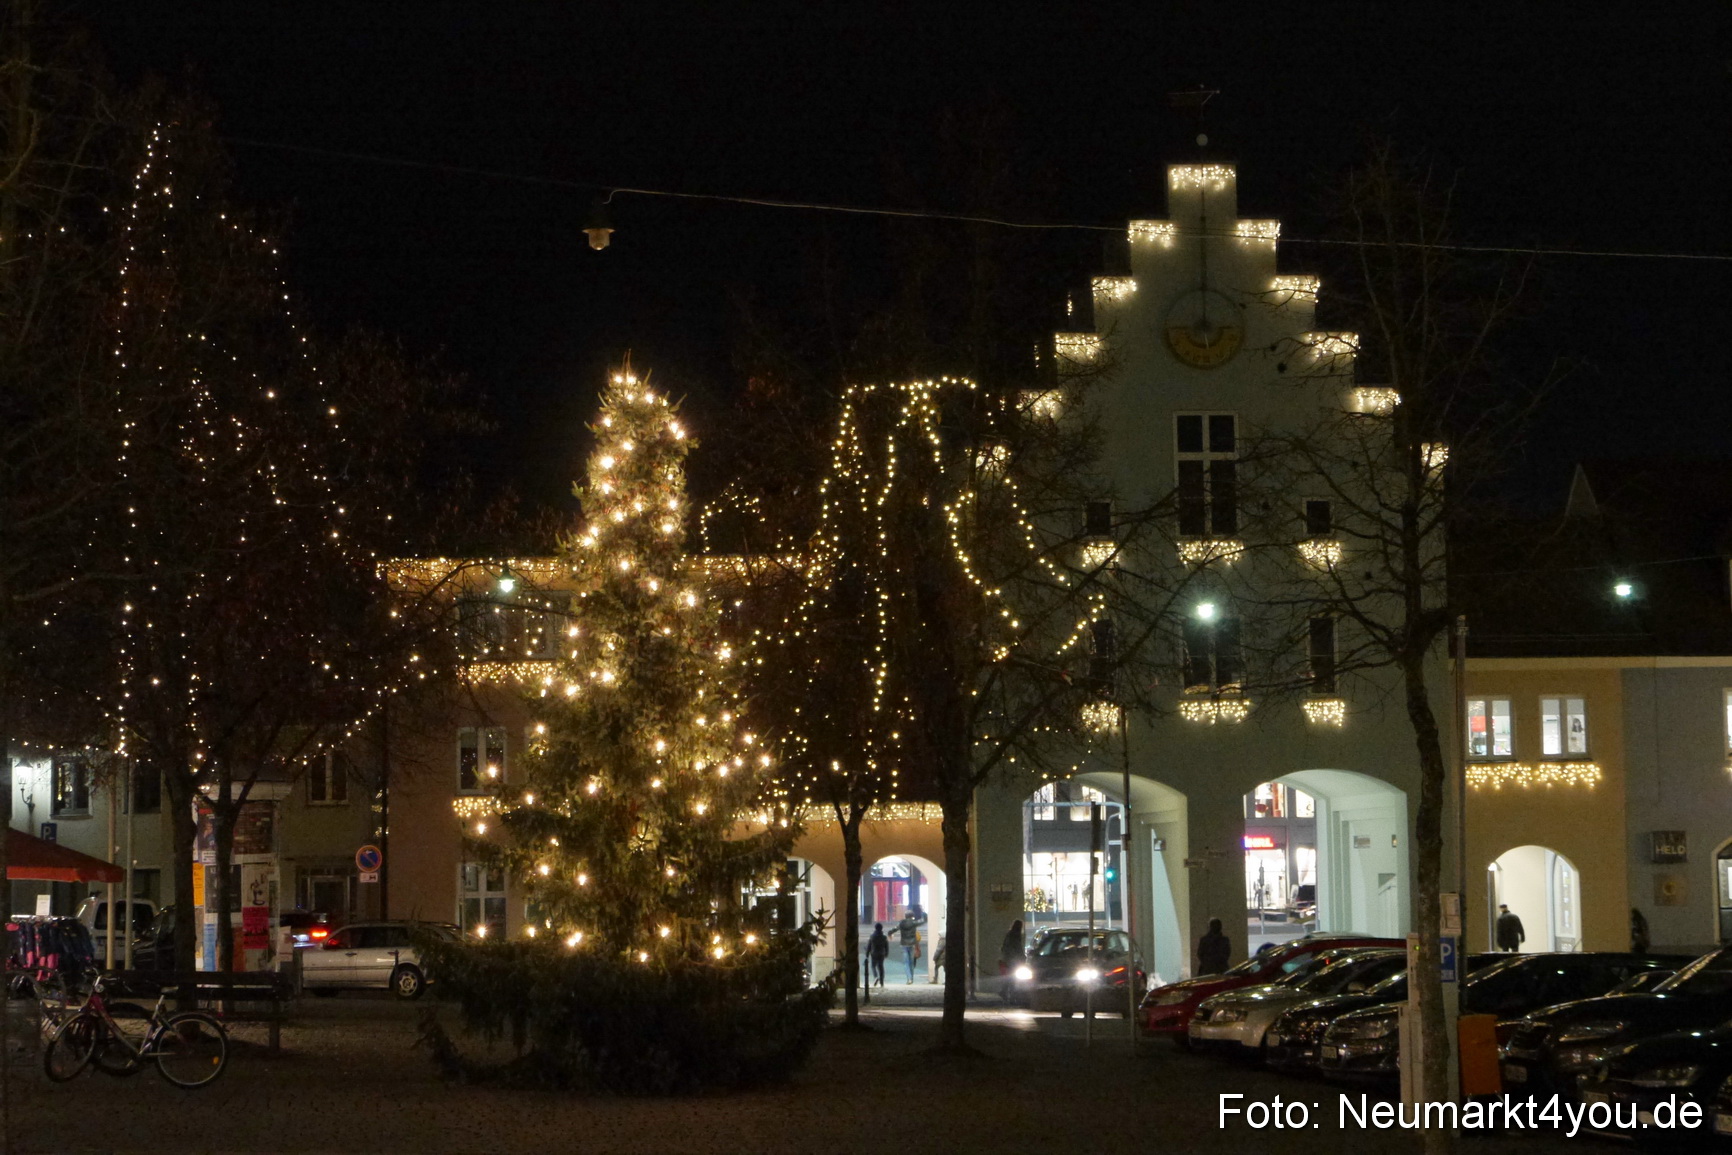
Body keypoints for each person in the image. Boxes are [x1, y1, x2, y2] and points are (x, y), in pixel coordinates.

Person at [895, 911, 921, 983]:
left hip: (904, 944)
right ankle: (911, 978)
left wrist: (890, 933)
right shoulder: (914, 923)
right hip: (912, 944)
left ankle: (909, 978)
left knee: (906, 962)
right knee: (911, 962)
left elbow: (895, 928)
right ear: (912, 916)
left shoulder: (902, 923)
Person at [866, 922, 889, 988]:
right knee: (881, 967)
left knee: (873, 966)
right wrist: (886, 953)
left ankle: (875, 976)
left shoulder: (872, 936)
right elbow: (886, 946)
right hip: (881, 953)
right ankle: (882, 982)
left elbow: (869, 946)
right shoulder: (884, 937)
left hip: (874, 953)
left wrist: (867, 954)